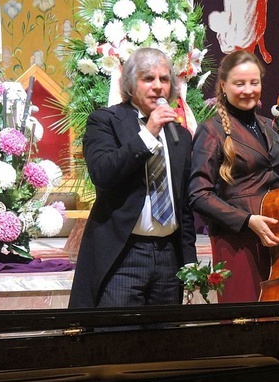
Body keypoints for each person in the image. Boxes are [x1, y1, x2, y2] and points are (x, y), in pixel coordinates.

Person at [69, 47, 196, 308]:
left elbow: (183, 205)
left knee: (163, 343)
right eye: (148, 78)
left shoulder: (179, 136)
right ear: (130, 83)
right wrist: (148, 133)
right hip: (124, 254)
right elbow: (102, 173)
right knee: (117, 341)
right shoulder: (105, 121)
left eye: (164, 79)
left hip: (169, 257)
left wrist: (189, 260)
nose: (158, 87)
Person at [189, 50, 279, 302]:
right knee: (245, 320)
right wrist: (247, 220)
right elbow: (198, 195)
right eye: (239, 83)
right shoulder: (211, 131)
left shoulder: (271, 126)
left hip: (278, 236)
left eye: (254, 82)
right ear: (224, 85)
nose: (248, 90)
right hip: (237, 241)